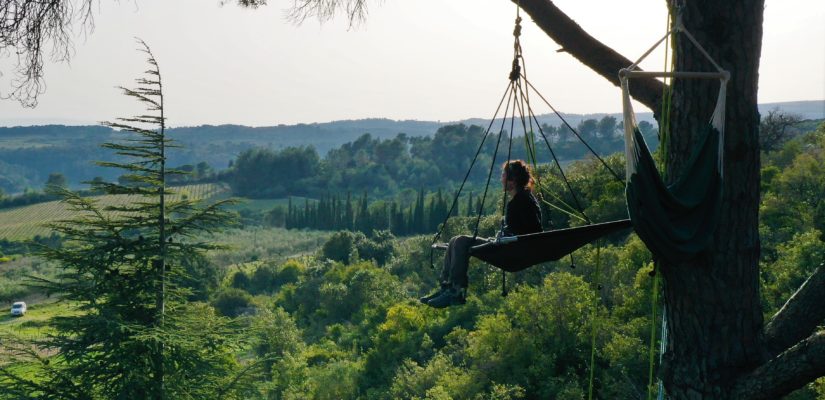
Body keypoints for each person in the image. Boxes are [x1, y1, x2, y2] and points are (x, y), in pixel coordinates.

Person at [422, 160, 542, 308]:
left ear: (513, 180)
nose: (501, 179)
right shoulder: (520, 198)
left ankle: (455, 291)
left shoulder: (523, 200)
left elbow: (534, 230)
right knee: (455, 240)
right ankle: (446, 287)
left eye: (503, 175)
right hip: (507, 244)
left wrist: (509, 236)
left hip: (512, 249)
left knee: (460, 242)